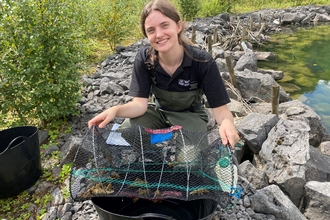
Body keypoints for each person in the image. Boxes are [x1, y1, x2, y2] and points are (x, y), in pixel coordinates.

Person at [88, 0, 239, 148]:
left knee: (189, 160)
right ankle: (154, 158)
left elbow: (222, 112)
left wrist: (227, 124)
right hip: (158, 111)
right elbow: (139, 105)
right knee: (129, 133)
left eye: (165, 25)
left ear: (178, 26)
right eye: (151, 30)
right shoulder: (144, 59)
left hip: (190, 115)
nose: (159, 34)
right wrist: (115, 111)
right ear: (146, 35)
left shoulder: (202, 61)